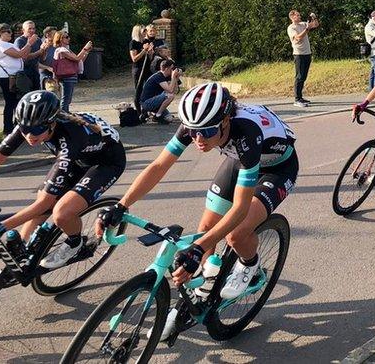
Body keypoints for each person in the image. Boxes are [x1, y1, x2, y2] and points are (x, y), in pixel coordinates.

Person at [95, 82, 298, 335]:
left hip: (277, 168)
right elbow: (158, 167)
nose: (198, 139)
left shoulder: (246, 132)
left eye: (207, 131)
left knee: (236, 233)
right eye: (193, 132)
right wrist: (121, 204)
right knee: (205, 229)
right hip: (239, 161)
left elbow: (240, 209)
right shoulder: (197, 125)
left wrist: (198, 248)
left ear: (225, 121)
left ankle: (251, 266)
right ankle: (205, 286)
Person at [0, 91, 126, 294]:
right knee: (35, 217)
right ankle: (21, 260)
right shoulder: (31, 125)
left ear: (52, 123)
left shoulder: (71, 136)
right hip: (77, 160)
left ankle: (75, 243)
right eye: (25, 129)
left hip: (106, 163)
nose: (30, 135)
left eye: (37, 130)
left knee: (61, 212)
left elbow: (45, 204)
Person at [0, 23, 37, 134]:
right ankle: (8, 128)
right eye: (7, 31)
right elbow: (19, 54)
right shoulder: (1, 45)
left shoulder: (8, 44)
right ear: (0, 33)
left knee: (17, 101)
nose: (10, 33)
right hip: (7, 77)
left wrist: (37, 50)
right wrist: (29, 43)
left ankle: (16, 124)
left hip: (15, 76)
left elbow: (24, 55)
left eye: (10, 31)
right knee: (10, 102)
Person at [52, 30, 93, 112]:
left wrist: (86, 52)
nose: (69, 38)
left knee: (68, 99)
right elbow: (77, 58)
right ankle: (64, 116)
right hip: (66, 77)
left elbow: (79, 61)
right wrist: (84, 48)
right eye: (66, 37)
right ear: (60, 39)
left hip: (71, 76)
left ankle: (65, 114)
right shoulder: (61, 50)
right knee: (66, 99)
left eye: (68, 36)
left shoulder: (68, 50)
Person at [287, 10, 318, 107]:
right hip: (299, 54)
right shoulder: (291, 28)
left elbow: (315, 25)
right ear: (292, 17)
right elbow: (298, 38)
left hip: (307, 53)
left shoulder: (303, 24)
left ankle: (300, 97)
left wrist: (314, 17)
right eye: (297, 15)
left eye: (299, 15)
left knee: (304, 76)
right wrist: (307, 29)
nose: (299, 17)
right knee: (299, 76)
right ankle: (297, 99)